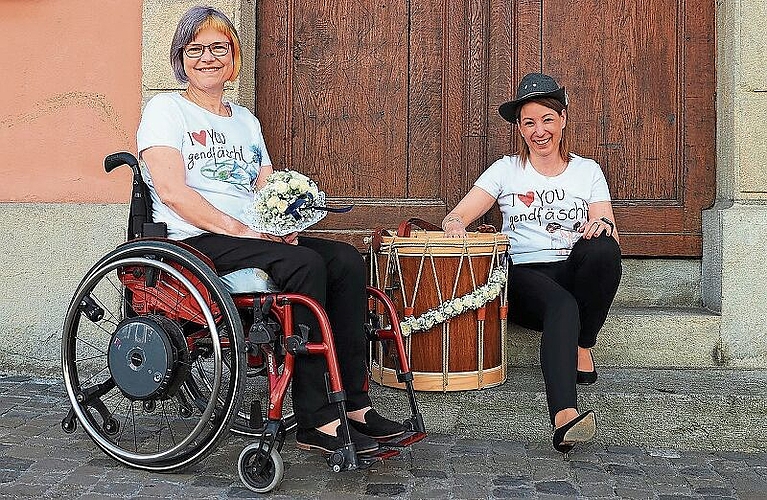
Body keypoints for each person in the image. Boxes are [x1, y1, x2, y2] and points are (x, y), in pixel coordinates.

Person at [136, 6, 404, 455]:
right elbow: (172, 191)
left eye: (218, 47)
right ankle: (315, 420)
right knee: (304, 267)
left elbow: (266, 187)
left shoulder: (245, 121)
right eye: (195, 48)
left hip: (249, 236)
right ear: (180, 57)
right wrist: (242, 229)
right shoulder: (166, 109)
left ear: (234, 56)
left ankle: (354, 405)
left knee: (345, 261)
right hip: (195, 240)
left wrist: (284, 224)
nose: (207, 57)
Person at [442, 73, 622, 454]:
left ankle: (582, 343)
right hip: (525, 275)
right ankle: (563, 418)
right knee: (561, 305)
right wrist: (456, 223)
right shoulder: (505, 169)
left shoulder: (587, 170)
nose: (539, 131)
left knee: (604, 247)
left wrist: (599, 225)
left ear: (563, 120)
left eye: (547, 120)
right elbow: (457, 215)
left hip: (572, 270)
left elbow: (610, 231)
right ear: (520, 129)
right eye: (529, 123)